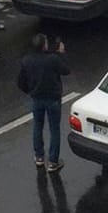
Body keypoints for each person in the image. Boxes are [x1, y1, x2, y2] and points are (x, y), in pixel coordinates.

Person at [19, 34, 71, 170]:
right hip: (53, 99)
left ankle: (39, 156)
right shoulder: (52, 59)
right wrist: (62, 53)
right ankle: (53, 161)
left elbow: (21, 82)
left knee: (38, 126)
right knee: (54, 129)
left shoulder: (27, 60)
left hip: (37, 98)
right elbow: (66, 70)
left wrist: (31, 91)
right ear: (44, 46)